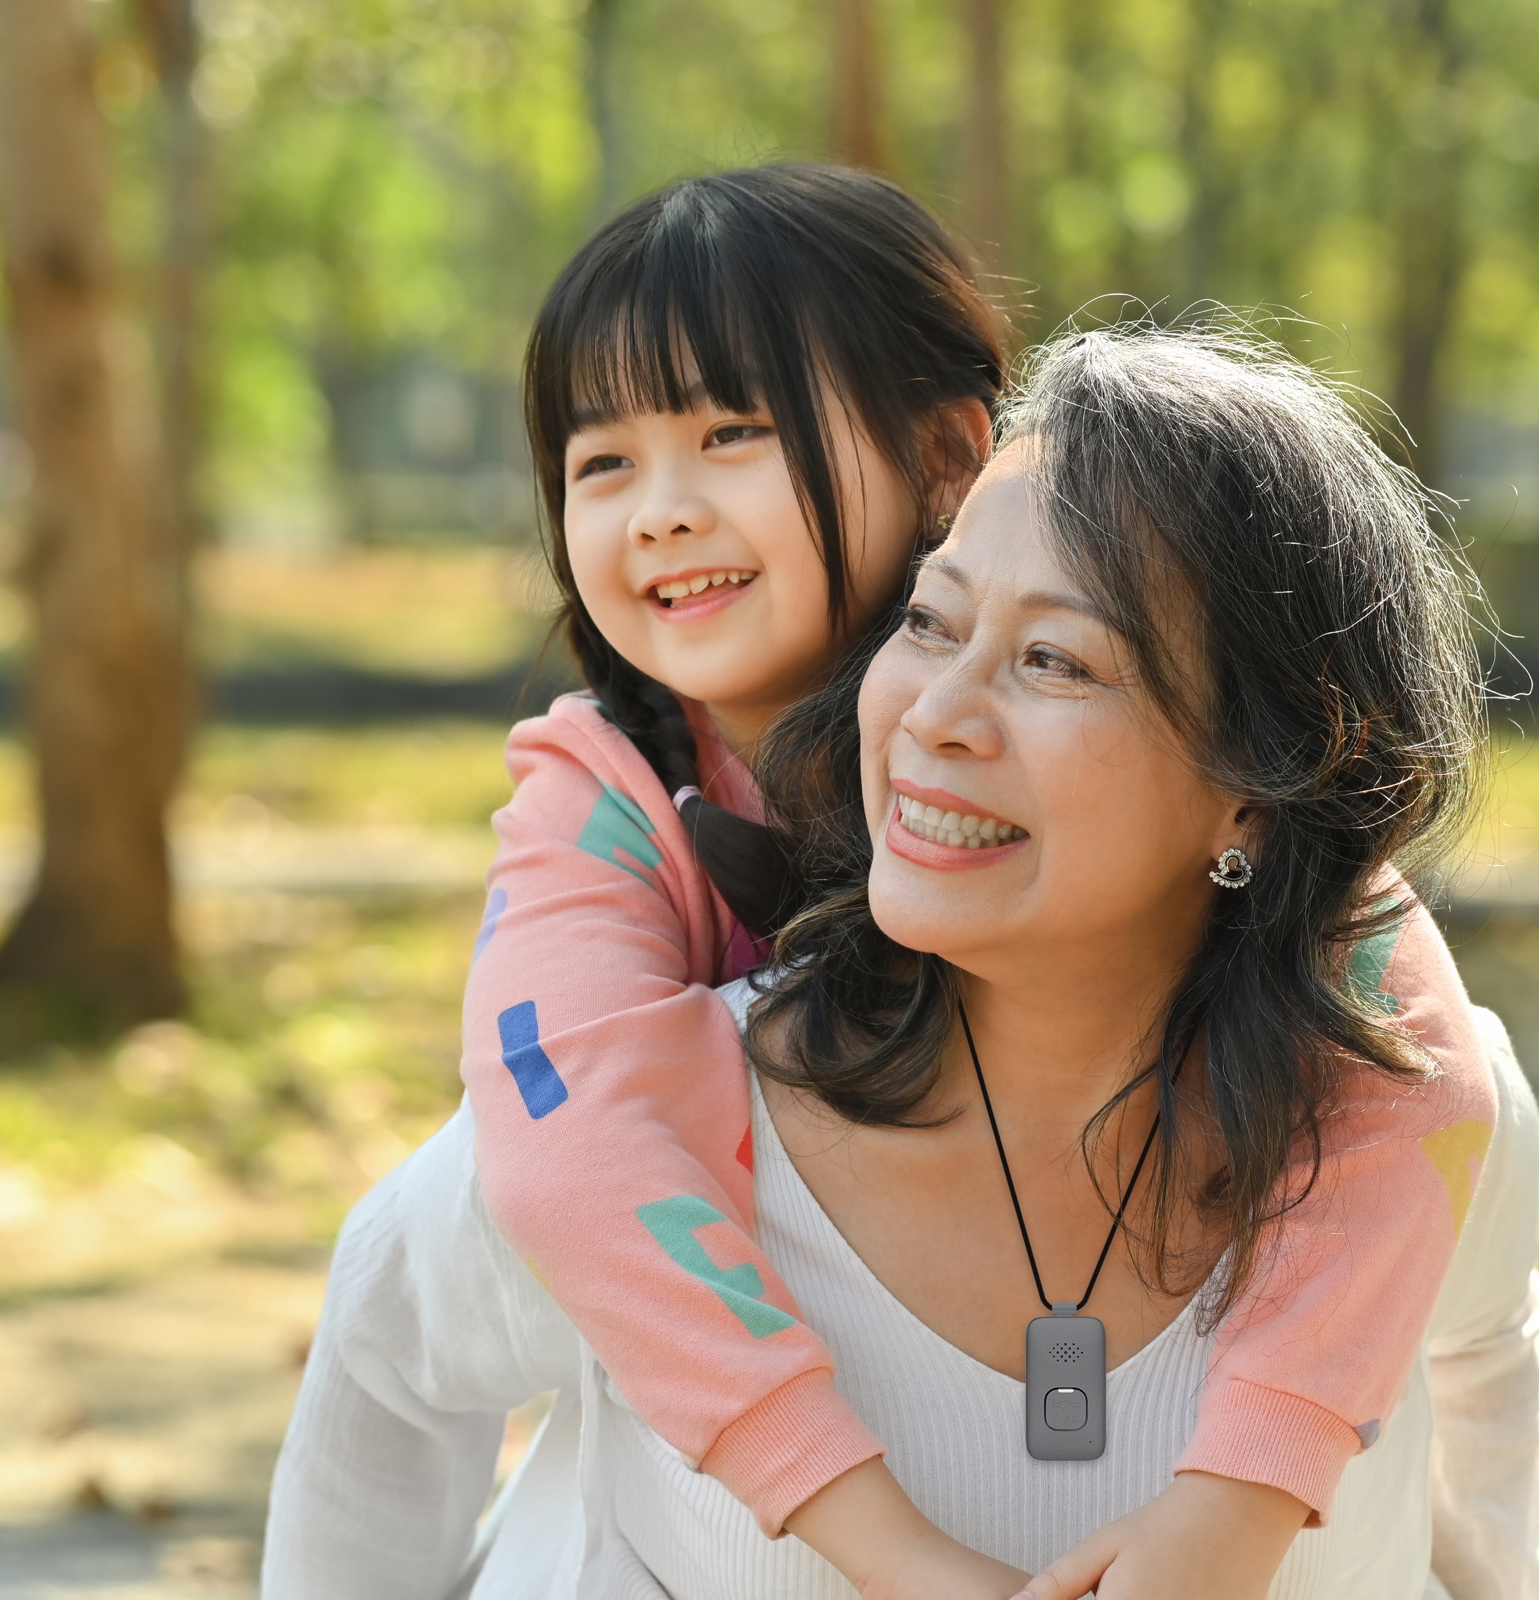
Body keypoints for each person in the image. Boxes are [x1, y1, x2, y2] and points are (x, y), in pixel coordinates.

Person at [262, 322, 1534, 1599]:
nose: (931, 714)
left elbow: (1501, 1352)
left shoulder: (1409, 1123)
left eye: (1053, 659)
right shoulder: (647, 1133)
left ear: (1256, 791)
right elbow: (384, 1346)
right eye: (928, 622)